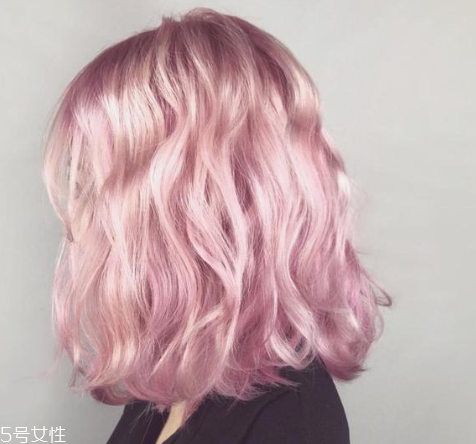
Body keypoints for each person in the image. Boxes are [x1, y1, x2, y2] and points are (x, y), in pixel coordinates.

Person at [42, 7, 392, 444]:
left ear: (190, 208)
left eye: (96, 185)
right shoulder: (184, 378)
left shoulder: (287, 425)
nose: (75, 220)